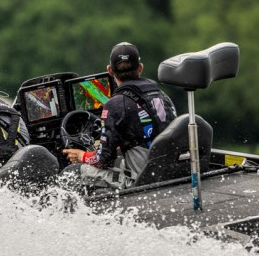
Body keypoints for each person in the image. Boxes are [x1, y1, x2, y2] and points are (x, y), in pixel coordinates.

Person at [62, 42, 176, 188]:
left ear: (110, 70)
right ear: (140, 68)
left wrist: (81, 155)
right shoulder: (162, 96)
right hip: (169, 171)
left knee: (72, 172)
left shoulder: (115, 104)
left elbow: (103, 160)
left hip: (141, 180)